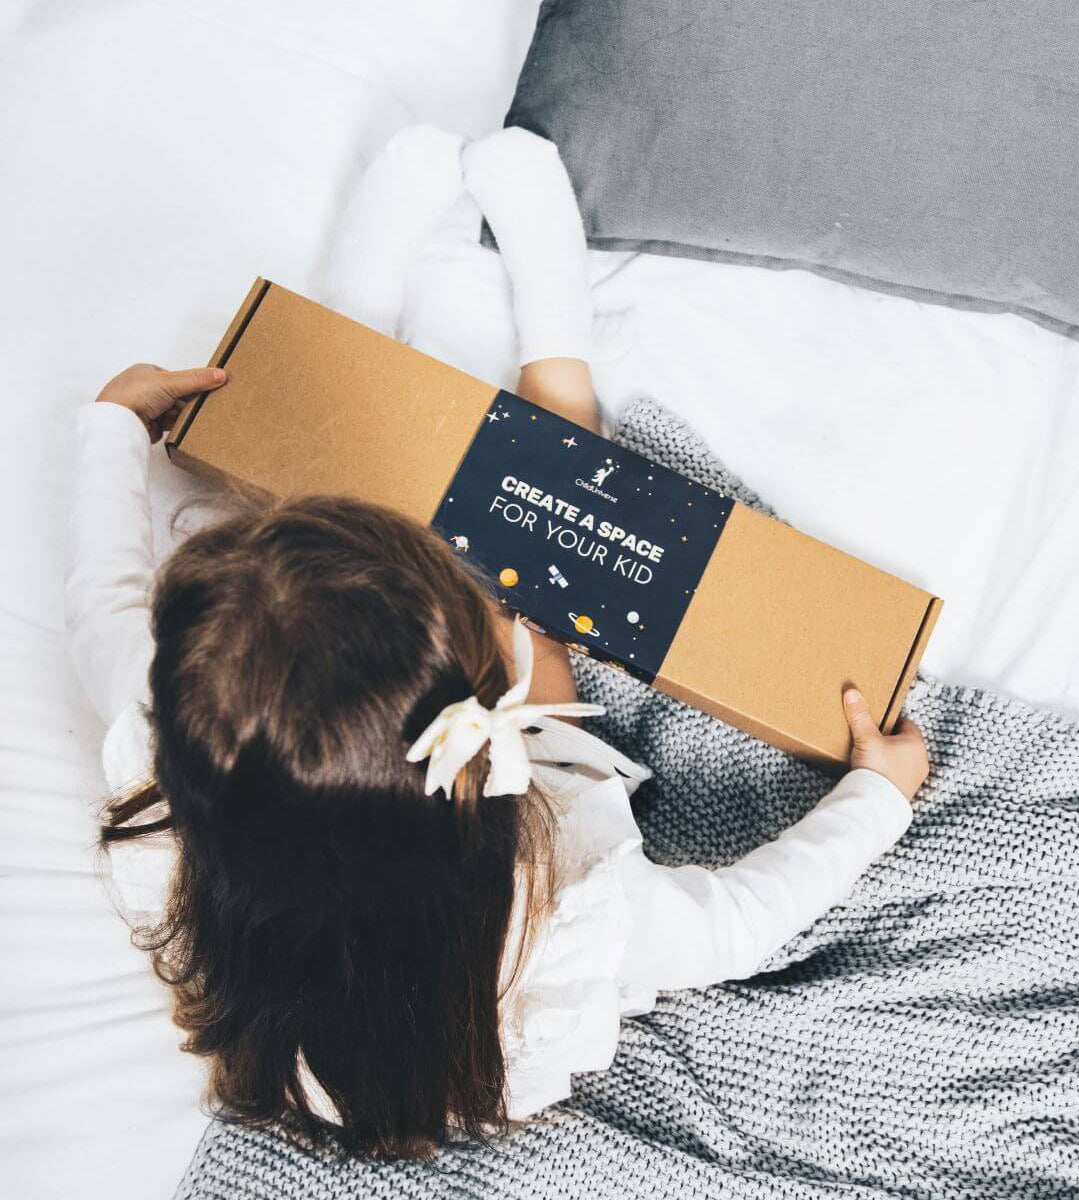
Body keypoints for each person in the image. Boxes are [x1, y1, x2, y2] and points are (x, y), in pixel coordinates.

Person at [66, 130, 929, 1163]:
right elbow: (741, 917)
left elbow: (101, 605)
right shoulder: (565, 908)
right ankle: (556, 353)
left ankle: (345, 335)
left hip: (333, 988)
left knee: (293, 560)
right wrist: (879, 795)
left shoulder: (171, 770)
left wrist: (113, 426)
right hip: (477, 1011)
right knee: (551, 585)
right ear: (473, 730)